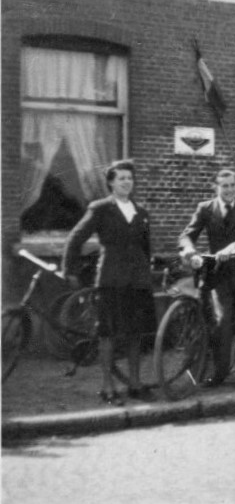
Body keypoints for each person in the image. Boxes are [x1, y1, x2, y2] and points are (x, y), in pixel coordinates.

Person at [62, 160, 154, 405]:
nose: (126, 182)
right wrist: (68, 269)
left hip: (138, 281)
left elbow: (146, 248)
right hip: (112, 278)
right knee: (108, 333)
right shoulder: (100, 208)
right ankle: (107, 386)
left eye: (130, 178)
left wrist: (149, 271)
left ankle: (135, 383)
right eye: (121, 178)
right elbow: (75, 238)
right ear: (111, 182)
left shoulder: (141, 212)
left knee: (136, 333)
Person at [179, 169, 235, 389]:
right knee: (221, 324)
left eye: (233, 185)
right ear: (215, 187)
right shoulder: (205, 208)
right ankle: (220, 372)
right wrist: (189, 251)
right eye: (224, 186)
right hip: (219, 275)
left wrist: (233, 247)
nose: (229, 190)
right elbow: (187, 234)